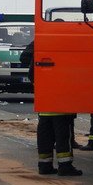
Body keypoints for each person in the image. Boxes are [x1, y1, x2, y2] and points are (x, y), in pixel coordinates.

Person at [21, 42, 83, 176]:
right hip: (62, 105)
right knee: (63, 137)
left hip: (45, 105)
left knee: (45, 137)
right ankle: (65, 166)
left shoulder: (41, 52)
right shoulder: (68, 54)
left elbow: (31, 74)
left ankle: (44, 166)